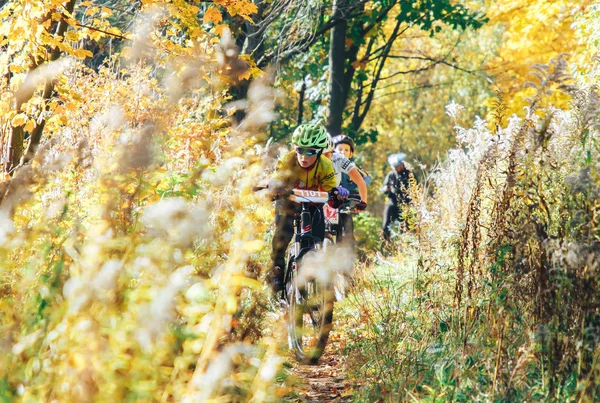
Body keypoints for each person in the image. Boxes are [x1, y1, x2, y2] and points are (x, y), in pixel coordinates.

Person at [269, 123, 349, 294]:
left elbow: (330, 193)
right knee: (284, 232)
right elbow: (277, 181)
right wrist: (274, 187)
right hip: (289, 203)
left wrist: (337, 195)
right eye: (300, 150)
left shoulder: (326, 165)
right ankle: (277, 267)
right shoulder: (287, 161)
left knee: (318, 235)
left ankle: (314, 269)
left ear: (320, 151)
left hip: (313, 204)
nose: (304, 157)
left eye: (310, 152)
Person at [331, 135, 371, 248]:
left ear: (351, 153)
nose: (343, 152)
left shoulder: (352, 168)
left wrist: (357, 196)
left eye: (346, 150)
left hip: (344, 207)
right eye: (340, 149)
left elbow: (365, 180)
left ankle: (347, 262)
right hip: (327, 205)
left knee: (347, 235)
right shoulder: (330, 164)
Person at [381, 153, 414, 243]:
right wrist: (386, 189)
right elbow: (383, 188)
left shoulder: (410, 174)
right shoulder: (391, 174)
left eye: (397, 166)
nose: (396, 169)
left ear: (402, 164)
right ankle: (386, 245)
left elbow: (416, 189)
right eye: (394, 167)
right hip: (392, 203)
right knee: (386, 225)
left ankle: (404, 246)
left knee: (405, 228)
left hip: (405, 205)